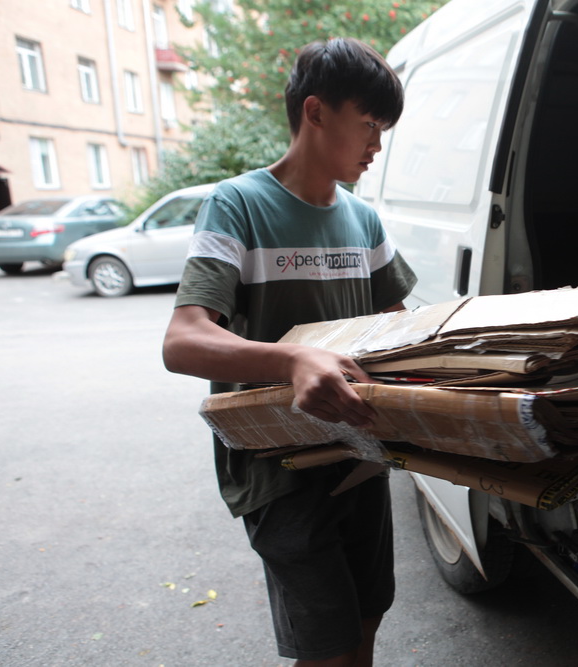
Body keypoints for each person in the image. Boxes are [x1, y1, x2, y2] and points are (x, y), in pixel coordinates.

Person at [162, 37, 417, 667]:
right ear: (315, 111)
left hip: (360, 454)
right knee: (327, 647)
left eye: (382, 130)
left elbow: (400, 329)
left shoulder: (364, 221)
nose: (376, 144)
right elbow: (183, 340)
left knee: (366, 621)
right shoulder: (237, 205)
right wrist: (292, 360)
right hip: (280, 469)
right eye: (369, 124)